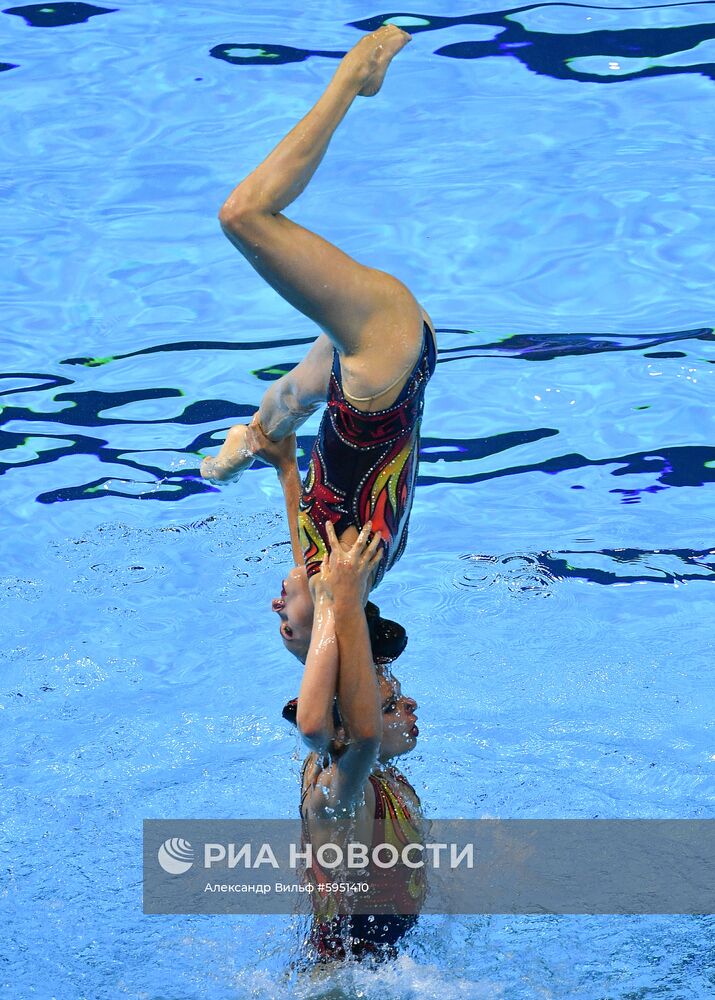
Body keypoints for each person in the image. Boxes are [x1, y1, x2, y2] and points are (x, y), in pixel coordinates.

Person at [199, 25, 437, 662]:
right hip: (379, 361)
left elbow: (293, 484)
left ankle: (233, 450)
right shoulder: (344, 577)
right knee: (244, 215)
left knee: (280, 409)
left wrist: (258, 463)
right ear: (331, 623)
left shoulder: (321, 564)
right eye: (288, 628)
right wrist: (332, 632)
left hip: (363, 379)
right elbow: (323, 695)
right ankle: (358, 75)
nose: (277, 610)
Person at [282, 521, 425, 962]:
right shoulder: (339, 793)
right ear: (345, 727)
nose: (409, 705)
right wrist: (338, 601)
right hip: (344, 982)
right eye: (390, 704)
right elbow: (358, 736)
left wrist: (290, 474)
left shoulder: (368, 765)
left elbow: (324, 657)